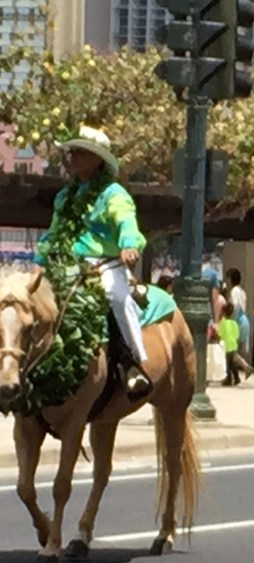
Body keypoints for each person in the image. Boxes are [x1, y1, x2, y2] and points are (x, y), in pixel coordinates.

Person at [33, 125, 150, 395]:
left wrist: (129, 245)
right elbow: (53, 233)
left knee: (117, 297)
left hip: (104, 264)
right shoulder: (64, 196)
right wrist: (39, 260)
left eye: (80, 153)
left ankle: (134, 362)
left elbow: (126, 222)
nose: (72, 157)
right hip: (65, 264)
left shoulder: (114, 194)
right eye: (71, 152)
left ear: (98, 160)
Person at [225, 267, 252, 359]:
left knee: (231, 350)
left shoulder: (234, 291)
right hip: (244, 321)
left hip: (238, 321)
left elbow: (234, 306)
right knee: (239, 351)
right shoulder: (242, 291)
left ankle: (244, 367)